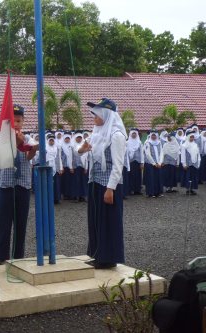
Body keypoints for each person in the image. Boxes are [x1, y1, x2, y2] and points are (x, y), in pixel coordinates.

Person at [77, 98, 127, 269]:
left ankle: (109, 258)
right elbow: (84, 153)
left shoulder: (116, 135)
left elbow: (118, 164)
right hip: (95, 182)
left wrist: (110, 188)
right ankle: (98, 255)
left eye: (96, 115)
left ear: (106, 115)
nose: (94, 118)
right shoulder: (97, 134)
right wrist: (82, 150)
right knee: (96, 220)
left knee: (109, 221)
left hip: (108, 185)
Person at [0, 104, 38, 265]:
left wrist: (32, 149)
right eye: (13, 121)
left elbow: (29, 157)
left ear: (23, 121)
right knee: (4, 222)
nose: (17, 124)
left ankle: (18, 256)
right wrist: (14, 143)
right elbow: (2, 158)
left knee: (21, 223)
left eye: (19, 121)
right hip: (6, 185)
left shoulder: (27, 138)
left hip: (22, 185)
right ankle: (2, 257)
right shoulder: (1, 139)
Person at [144, 130, 163, 198]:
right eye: (152, 135)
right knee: (151, 178)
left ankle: (158, 192)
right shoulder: (147, 143)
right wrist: (154, 163)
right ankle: (151, 193)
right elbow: (148, 154)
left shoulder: (159, 142)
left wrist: (160, 162)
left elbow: (161, 153)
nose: (154, 136)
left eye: (155, 135)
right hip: (150, 164)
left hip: (158, 163)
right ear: (150, 135)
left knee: (158, 178)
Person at [181, 130, 201, 195]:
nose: (192, 138)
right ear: (188, 137)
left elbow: (198, 154)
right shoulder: (184, 145)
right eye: (191, 137)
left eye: (193, 137)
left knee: (193, 177)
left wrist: (198, 163)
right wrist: (184, 164)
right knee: (188, 177)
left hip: (194, 164)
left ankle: (192, 189)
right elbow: (183, 155)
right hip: (188, 164)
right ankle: (187, 189)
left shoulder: (195, 144)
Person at [46, 133, 63, 204]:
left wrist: (60, 168)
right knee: (48, 184)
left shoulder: (57, 148)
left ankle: (56, 198)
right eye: (50, 140)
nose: (51, 142)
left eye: (53, 140)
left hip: (56, 168)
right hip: (48, 167)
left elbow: (59, 158)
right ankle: (49, 199)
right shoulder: (45, 148)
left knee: (56, 184)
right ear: (48, 141)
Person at [126, 128, 144, 195]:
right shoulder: (127, 143)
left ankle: (137, 190)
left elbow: (142, 153)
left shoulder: (139, 143)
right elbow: (126, 153)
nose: (134, 135)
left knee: (138, 176)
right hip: (130, 162)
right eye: (133, 133)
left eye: (135, 134)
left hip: (137, 162)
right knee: (130, 176)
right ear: (130, 134)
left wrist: (142, 162)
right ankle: (130, 190)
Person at [72, 131, 87, 202]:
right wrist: (71, 166)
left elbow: (86, 157)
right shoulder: (73, 146)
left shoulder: (84, 145)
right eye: (78, 138)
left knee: (83, 182)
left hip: (83, 166)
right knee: (76, 182)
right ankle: (76, 196)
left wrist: (86, 167)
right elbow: (70, 157)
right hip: (76, 166)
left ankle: (82, 196)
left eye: (80, 138)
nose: (79, 139)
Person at [61, 133, 75, 200]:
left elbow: (73, 157)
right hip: (64, 166)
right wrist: (61, 167)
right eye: (66, 139)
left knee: (71, 181)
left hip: (70, 167)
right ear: (64, 139)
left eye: (68, 139)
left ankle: (70, 194)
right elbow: (60, 157)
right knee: (64, 181)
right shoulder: (61, 147)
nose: (67, 140)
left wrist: (72, 167)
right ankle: (65, 194)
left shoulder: (72, 146)